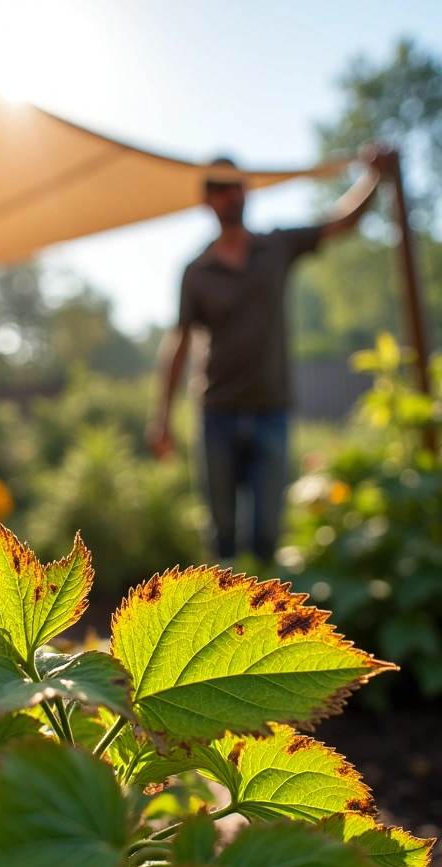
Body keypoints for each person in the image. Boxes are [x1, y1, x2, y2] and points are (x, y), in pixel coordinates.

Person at [146, 147, 392, 564]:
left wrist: (374, 178)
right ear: (207, 200)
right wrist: (162, 418)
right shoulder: (197, 271)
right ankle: (221, 622)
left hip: (271, 411)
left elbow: (341, 222)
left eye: (236, 186)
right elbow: (179, 343)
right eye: (220, 189)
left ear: (248, 189)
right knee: (221, 533)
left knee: (266, 536)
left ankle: (266, 622)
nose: (230, 195)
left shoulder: (277, 247)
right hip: (217, 413)